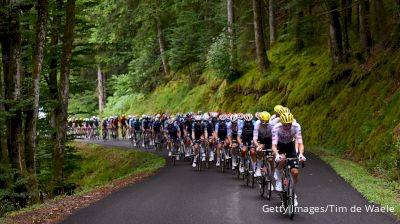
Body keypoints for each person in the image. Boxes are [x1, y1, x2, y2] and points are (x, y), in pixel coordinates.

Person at [272, 112, 306, 206]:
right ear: (281, 123)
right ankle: (279, 180)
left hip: (290, 145)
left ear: (292, 123)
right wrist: (277, 154)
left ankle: (292, 191)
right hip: (280, 145)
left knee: (295, 172)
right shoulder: (276, 128)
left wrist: (301, 154)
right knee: (282, 158)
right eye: (285, 125)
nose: (287, 127)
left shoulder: (296, 126)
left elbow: (300, 143)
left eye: (289, 125)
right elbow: (274, 146)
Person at [253, 111, 274, 177]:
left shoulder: (272, 124)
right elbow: (255, 139)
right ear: (260, 119)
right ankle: (258, 168)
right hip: (260, 138)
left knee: (270, 159)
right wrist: (258, 146)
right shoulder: (257, 124)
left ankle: (271, 174)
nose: (264, 124)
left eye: (266, 121)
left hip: (269, 139)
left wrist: (274, 147)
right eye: (263, 121)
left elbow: (274, 137)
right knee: (260, 150)